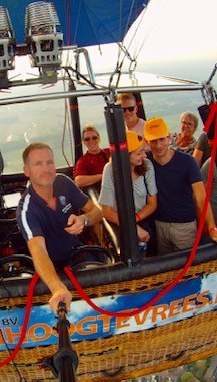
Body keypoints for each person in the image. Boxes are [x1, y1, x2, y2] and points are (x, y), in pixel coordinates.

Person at [17, 143, 102, 313]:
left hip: (75, 252)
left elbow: (97, 211)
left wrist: (84, 219)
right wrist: (57, 289)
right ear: (27, 171)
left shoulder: (63, 183)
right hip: (50, 265)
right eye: (38, 164)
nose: (46, 169)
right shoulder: (27, 210)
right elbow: (38, 251)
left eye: (50, 162)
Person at [144, 117, 217, 255]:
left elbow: (201, 196)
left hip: (184, 226)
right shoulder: (145, 162)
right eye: (153, 141)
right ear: (147, 142)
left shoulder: (187, 162)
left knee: (187, 264)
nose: (158, 145)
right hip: (159, 225)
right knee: (165, 264)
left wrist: (212, 228)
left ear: (169, 138)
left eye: (161, 139)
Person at [99, 131, 157, 244]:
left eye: (143, 151)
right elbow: (106, 211)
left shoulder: (147, 165)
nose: (144, 155)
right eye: (139, 153)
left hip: (142, 220)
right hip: (119, 223)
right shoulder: (110, 169)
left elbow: (152, 203)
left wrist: (134, 220)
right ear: (126, 156)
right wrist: (132, 226)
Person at [74, 125, 110, 191]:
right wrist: (103, 176)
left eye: (94, 138)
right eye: (87, 139)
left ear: (99, 138)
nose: (91, 141)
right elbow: (79, 181)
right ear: (84, 142)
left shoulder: (109, 152)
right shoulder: (83, 161)